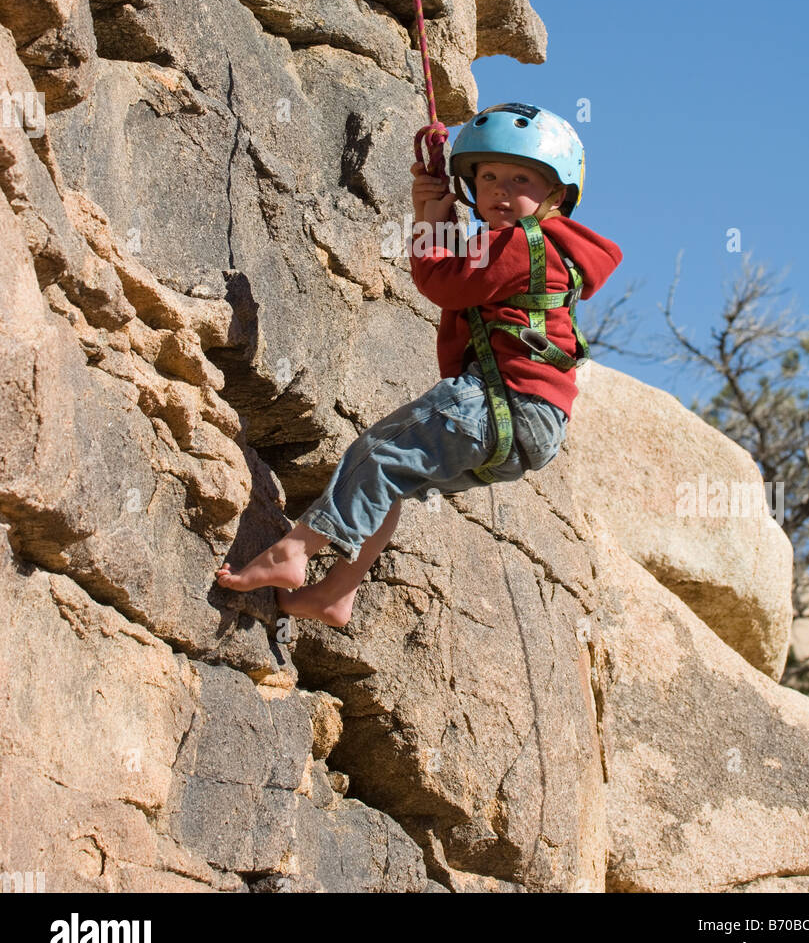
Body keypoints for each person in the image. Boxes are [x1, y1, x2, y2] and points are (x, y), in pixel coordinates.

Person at [215, 102, 623, 627]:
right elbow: (468, 271)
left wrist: (427, 220)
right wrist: (433, 213)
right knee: (392, 479)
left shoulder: (521, 242)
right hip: (530, 428)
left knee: (377, 455)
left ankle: (295, 549)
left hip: (501, 404)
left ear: (557, 195)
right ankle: (336, 592)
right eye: (488, 176)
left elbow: (443, 284)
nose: (499, 190)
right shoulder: (541, 247)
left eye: (520, 178)